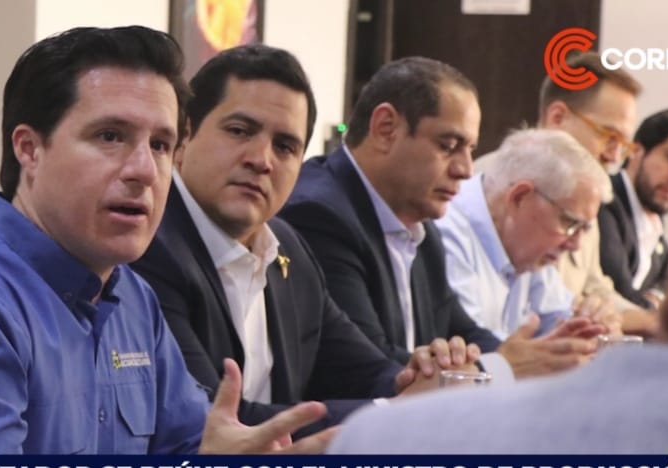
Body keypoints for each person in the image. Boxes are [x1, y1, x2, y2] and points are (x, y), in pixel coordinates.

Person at [0, 26, 331, 454]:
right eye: (110, 136)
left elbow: (185, 446)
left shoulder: (131, 297)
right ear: (30, 149)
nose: (144, 170)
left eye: (160, 145)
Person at [330, 19, 668, 465]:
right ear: (520, 197)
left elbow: (535, 324)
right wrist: (509, 364)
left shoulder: (386, 443)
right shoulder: (434, 220)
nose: (465, 170)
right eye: (610, 135)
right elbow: (379, 366)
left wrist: (555, 344)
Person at [130, 45, 473, 436]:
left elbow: (358, 368)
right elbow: (215, 422)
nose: (261, 160)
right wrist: (393, 410)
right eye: (240, 131)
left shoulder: (288, 247)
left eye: (285, 146)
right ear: (184, 136)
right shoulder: (148, 246)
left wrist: (421, 378)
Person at [280, 57, 600, 382]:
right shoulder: (320, 216)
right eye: (448, 146)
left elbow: (462, 331)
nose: (466, 169)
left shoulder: (421, 228)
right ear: (385, 129)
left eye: (470, 150)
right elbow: (367, 369)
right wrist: (503, 368)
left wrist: (542, 355)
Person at [477, 51, 648, 334]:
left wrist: (609, 314)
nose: (614, 157)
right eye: (609, 136)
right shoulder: (490, 183)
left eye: (623, 144)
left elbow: (595, 289)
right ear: (557, 118)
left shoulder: (583, 195)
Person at [436, 128, 613, 339]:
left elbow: (560, 322)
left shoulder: (529, 248)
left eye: (584, 228)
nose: (575, 245)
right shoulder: (445, 234)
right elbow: (474, 344)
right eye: (569, 222)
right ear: (519, 198)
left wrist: (594, 326)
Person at [599, 108, 668, 310]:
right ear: (636, 151)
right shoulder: (604, 201)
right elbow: (618, 290)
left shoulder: (657, 227)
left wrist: (656, 298)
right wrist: (654, 307)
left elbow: (666, 280)